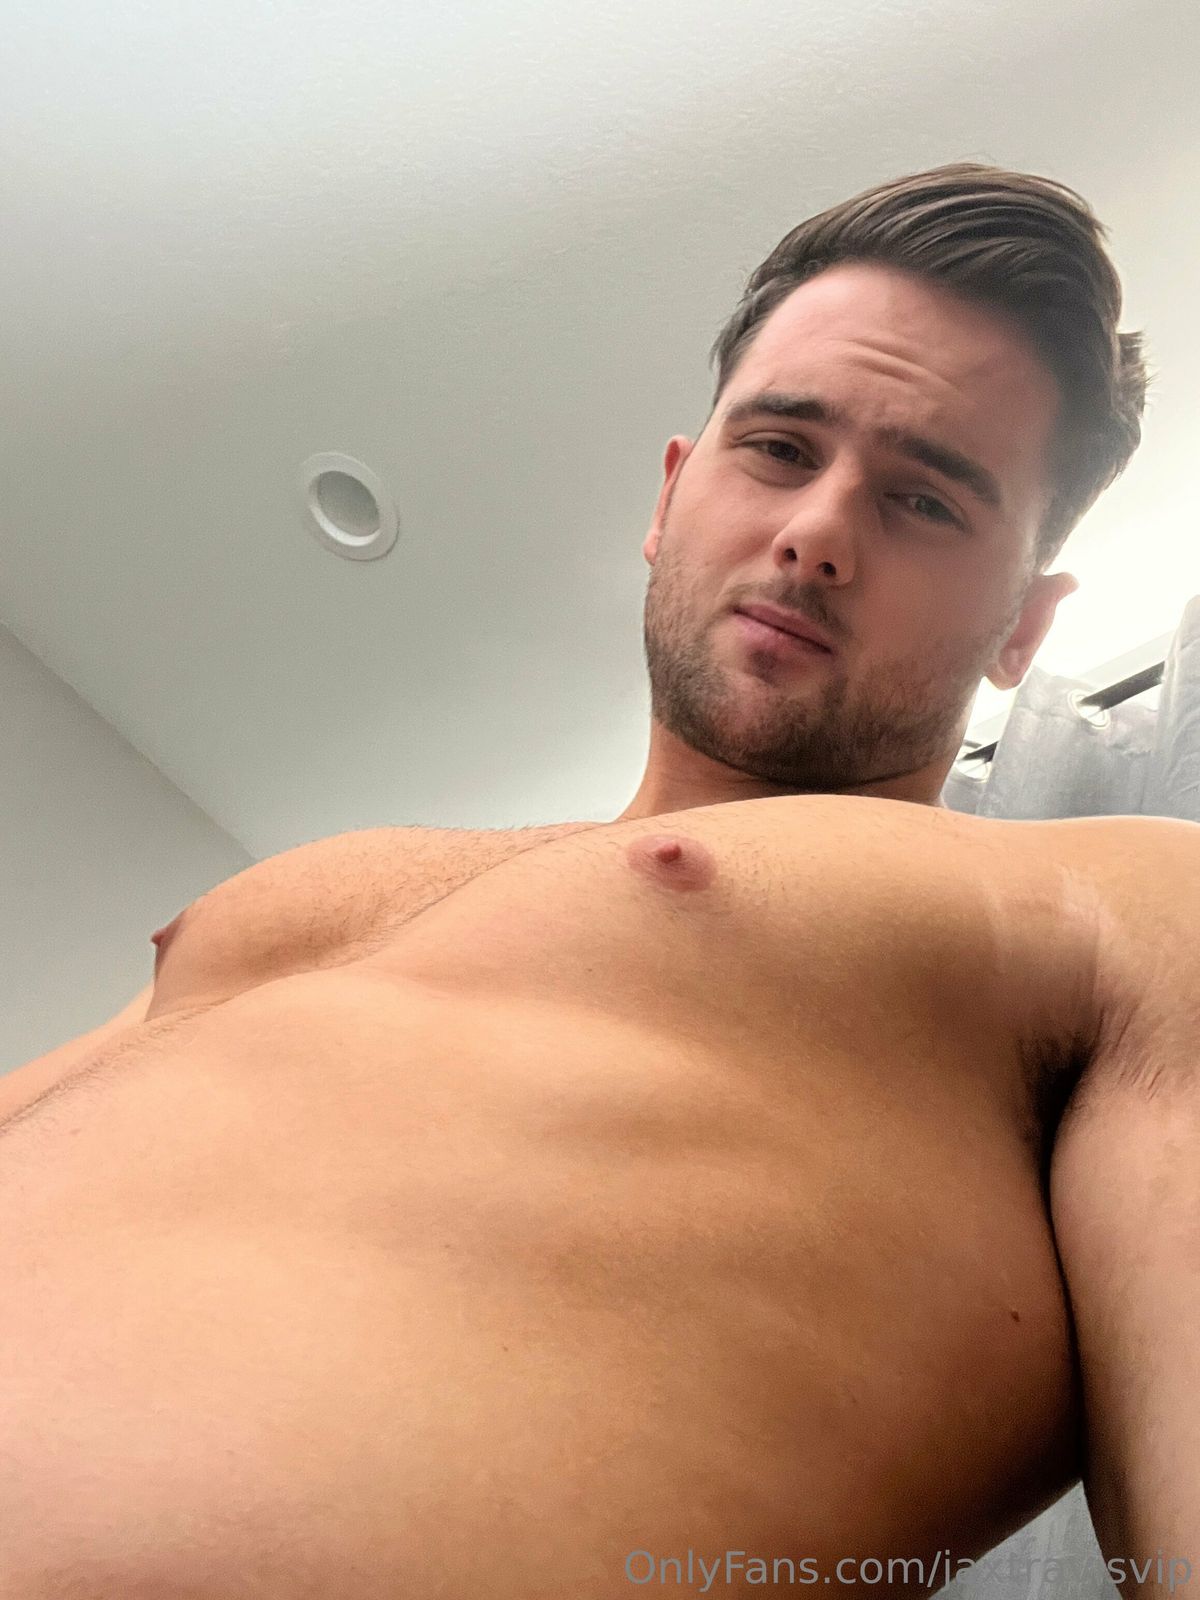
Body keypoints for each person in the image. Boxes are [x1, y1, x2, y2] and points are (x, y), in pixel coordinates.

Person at [0, 161, 1187, 1600]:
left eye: (926, 501)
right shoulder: (330, 887)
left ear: (1027, 630)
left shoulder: (1109, 905)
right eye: (779, 448)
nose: (818, 532)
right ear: (673, 493)